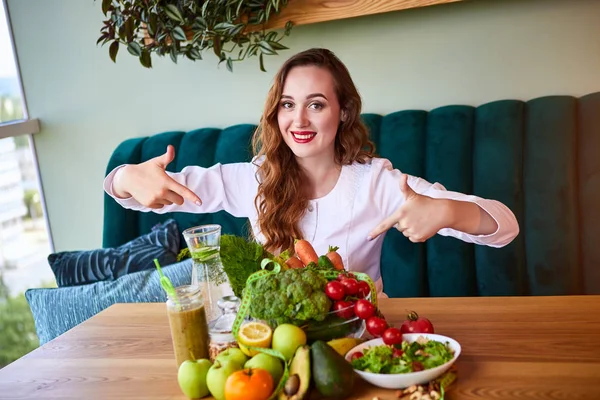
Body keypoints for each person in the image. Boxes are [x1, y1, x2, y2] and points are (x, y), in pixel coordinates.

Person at [103, 48, 519, 297]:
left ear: (344, 112)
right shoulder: (254, 178)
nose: (298, 119)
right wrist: (125, 177)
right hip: (270, 346)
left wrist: (447, 212)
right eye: (287, 104)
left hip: (355, 341)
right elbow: (133, 186)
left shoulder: (379, 183)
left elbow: (505, 226)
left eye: (316, 104)